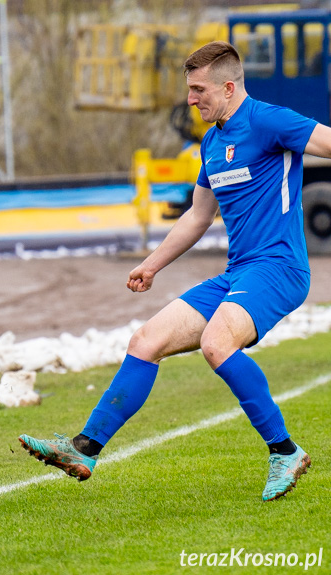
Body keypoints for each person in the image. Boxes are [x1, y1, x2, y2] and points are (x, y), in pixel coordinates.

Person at [19, 41, 331, 501]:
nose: (191, 99)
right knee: (145, 342)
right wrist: (151, 265)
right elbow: (197, 217)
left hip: (280, 267)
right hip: (239, 272)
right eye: (189, 90)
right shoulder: (212, 140)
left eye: (198, 89)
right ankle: (85, 448)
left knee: (215, 343)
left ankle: (285, 450)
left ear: (228, 87)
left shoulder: (268, 120)